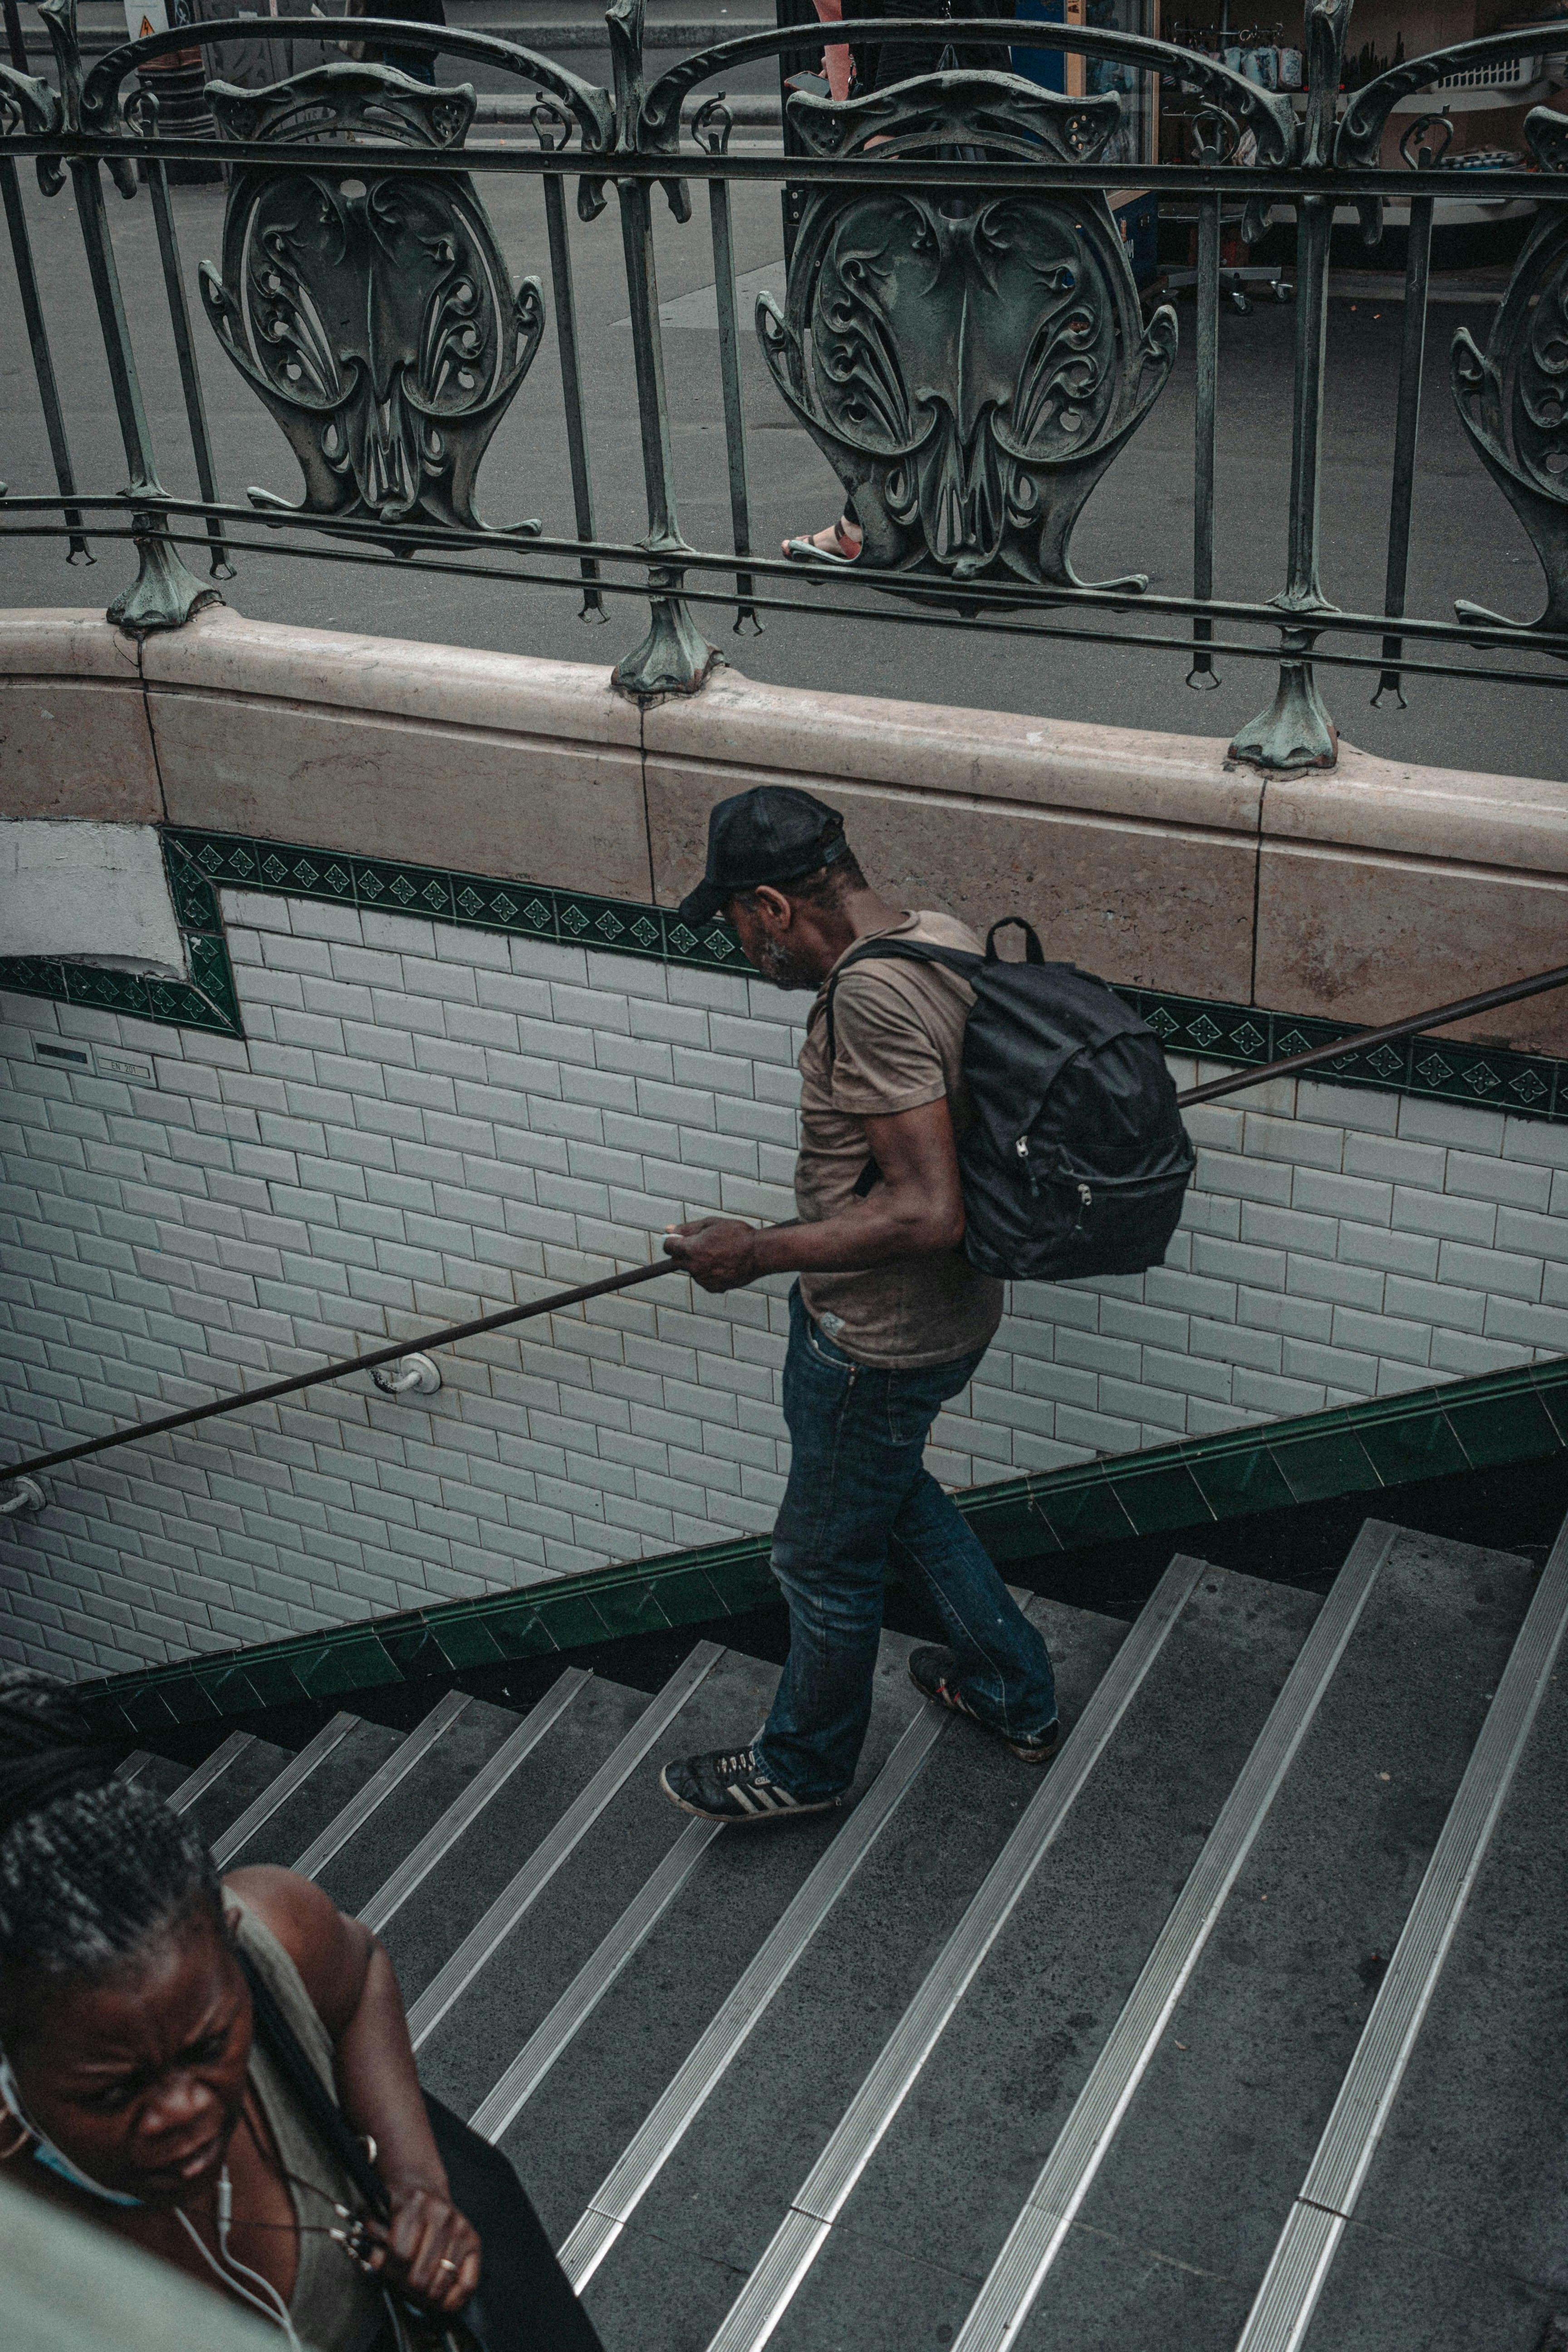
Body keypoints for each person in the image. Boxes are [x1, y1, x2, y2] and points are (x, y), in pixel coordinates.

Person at [658, 787, 1057, 1826]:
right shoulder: (940, 937)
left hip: (876, 1334)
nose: (747, 948)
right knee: (892, 1496)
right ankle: (1010, 1686)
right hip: (955, 1315)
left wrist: (755, 1253)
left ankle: (804, 1766)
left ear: (775, 907)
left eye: (741, 924)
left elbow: (924, 1209)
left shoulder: (868, 999)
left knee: (821, 1560)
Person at [0, 1672, 596, 2352]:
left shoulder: (273, 1934)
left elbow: (364, 1967)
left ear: (230, 1945)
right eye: (113, 2089)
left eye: (209, 2045)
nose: (184, 2110)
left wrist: (414, 2182)